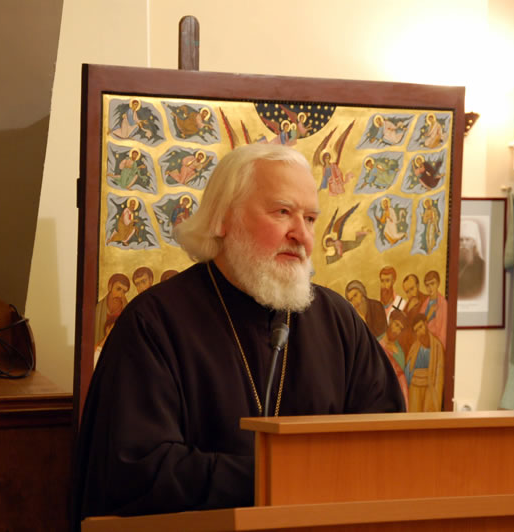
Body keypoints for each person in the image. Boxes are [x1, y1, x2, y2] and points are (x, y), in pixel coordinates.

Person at [72, 144, 405, 528]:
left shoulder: (338, 321)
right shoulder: (154, 323)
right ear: (222, 219)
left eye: (311, 219)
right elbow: (137, 472)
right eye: (282, 212)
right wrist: (278, 478)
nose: (301, 235)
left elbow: (386, 447)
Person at [458, 219, 486, 299]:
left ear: (474, 242)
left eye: (467, 239)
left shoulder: (481, 265)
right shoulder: (454, 264)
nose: (464, 243)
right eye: (461, 240)